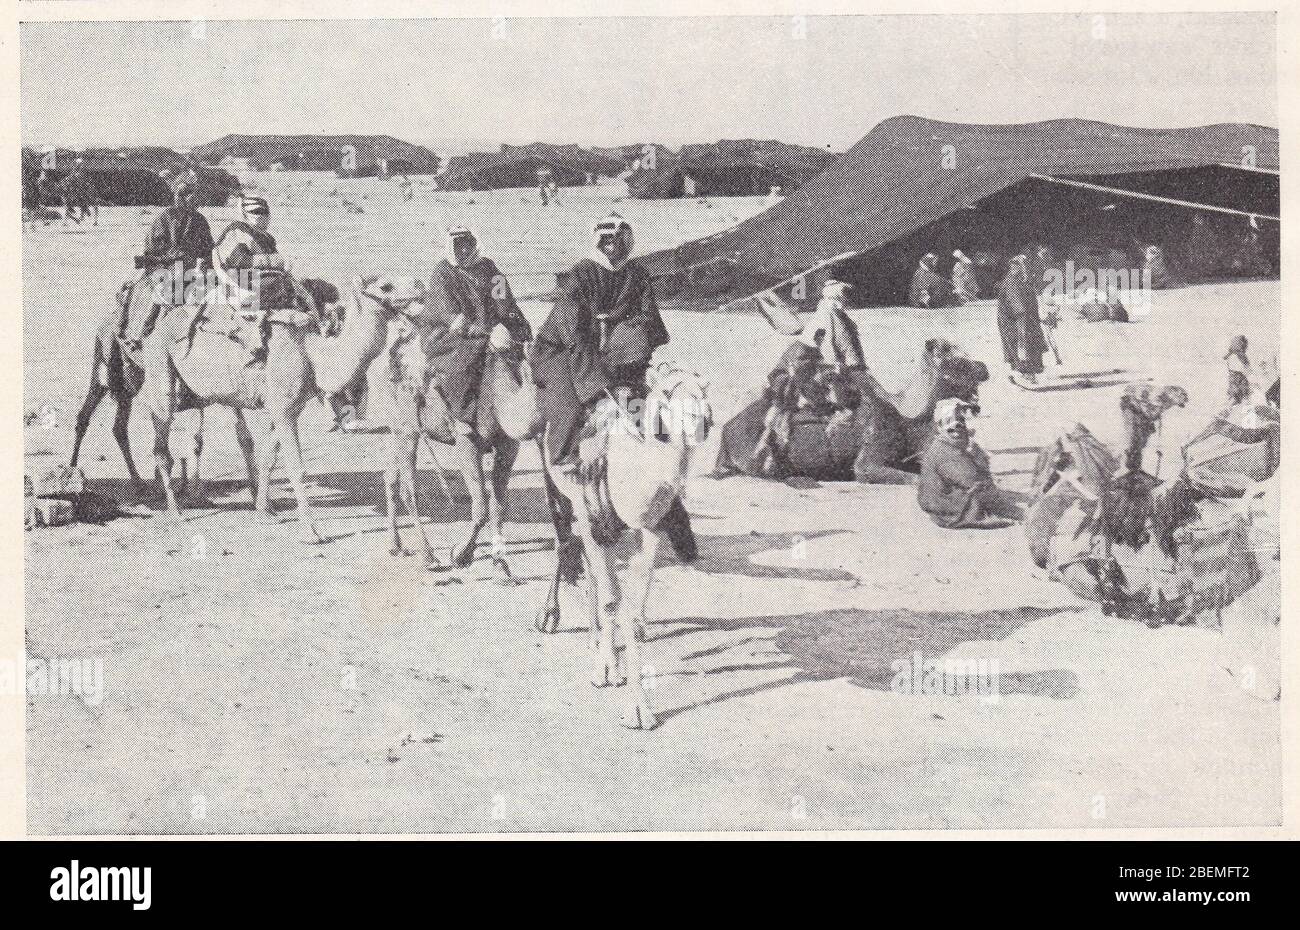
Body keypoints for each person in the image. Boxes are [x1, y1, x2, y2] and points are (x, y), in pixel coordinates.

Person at [532, 213, 695, 557]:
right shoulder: (578, 277)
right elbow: (573, 335)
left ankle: (670, 508)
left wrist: (626, 346)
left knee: (647, 415)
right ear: (596, 242)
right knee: (572, 407)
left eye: (618, 241)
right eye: (606, 241)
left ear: (628, 243)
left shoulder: (637, 275)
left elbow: (649, 322)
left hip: (619, 355)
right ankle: (566, 466)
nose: (612, 247)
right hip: (565, 354)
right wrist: (597, 391)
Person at [403, 226, 533, 438]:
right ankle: (462, 418)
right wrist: (482, 330)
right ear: (451, 248)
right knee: (462, 366)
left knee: (522, 356)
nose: (464, 250)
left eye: (467, 244)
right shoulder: (443, 273)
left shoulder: (490, 269)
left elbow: (504, 301)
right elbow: (449, 313)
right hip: (449, 334)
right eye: (458, 245)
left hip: (487, 330)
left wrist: (512, 324)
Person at [118, 180, 215, 349]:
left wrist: (209, 262)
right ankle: (141, 334)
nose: (194, 200)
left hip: (190, 268)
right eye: (189, 196)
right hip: (163, 265)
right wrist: (176, 256)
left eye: (196, 196)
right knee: (164, 290)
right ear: (181, 197)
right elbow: (153, 246)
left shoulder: (200, 220)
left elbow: (208, 247)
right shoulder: (166, 217)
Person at [917, 399, 1025, 528]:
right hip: (949, 510)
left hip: (941, 505)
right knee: (981, 488)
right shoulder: (947, 453)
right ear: (939, 427)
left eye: (960, 422)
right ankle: (979, 516)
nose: (957, 427)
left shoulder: (945, 445)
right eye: (949, 423)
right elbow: (974, 480)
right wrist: (1020, 513)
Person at [996, 254, 1049, 386]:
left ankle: (1025, 373)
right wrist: (1026, 317)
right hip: (1016, 321)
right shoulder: (1012, 282)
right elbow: (1016, 303)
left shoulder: (1022, 281)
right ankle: (1024, 374)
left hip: (1024, 319)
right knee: (1021, 346)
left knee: (1028, 345)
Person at [1117, 383, 1188, 476]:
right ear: (1176, 395)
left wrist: (1154, 416)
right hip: (1130, 405)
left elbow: (1153, 412)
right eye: (1179, 401)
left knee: (1142, 441)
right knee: (1134, 438)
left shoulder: (1169, 400)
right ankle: (1128, 468)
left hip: (1142, 410)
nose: (1176, 404)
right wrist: (1153, 416)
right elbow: (1147, 409)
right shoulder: (1159, 394)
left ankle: (1135, 467)